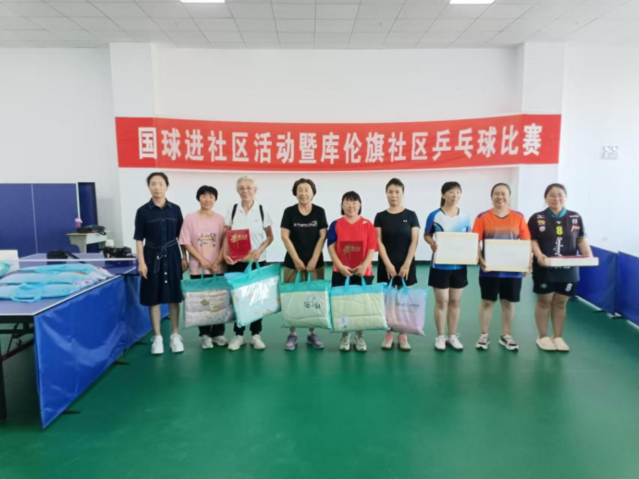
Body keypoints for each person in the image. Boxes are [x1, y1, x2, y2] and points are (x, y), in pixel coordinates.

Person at [529, 183, 593, 352]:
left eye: (560, 195)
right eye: (552, 195)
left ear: (565, 197)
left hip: (568, 270)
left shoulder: (575, 217)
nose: (556, 198)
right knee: (544, 301)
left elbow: (580, 239)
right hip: (545, 268)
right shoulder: (537, 218)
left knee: (561, 303)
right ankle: (542, 336)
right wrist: (539, 255)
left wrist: (588, 255)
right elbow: (532, 240)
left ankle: (557, 337)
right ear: (545, 198)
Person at [473, 183, 531, 352]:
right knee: (487, 302)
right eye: (496, 194)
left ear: (509, 197)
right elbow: (475, 241)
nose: (500, 197)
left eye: (503, 194)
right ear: (491, 197)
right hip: (489, 269)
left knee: (508, 303)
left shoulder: (518, 217)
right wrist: (480, 260)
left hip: (512, 271)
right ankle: (484, 335)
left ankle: (506, 336)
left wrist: (528, 263)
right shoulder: (482, 217)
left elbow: (526, 241)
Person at [134, 172, 186, 355]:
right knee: (153, 297)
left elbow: (182, 237)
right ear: (149, 186)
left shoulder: (175, 210)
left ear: (167, 186)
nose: (157, 187)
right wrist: (141, 262)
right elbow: (139, 239)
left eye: (160, 184)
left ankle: (175, 335)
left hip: (172, 255)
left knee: (174, 296)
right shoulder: (142, 211)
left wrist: (184, 257)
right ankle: (157, 337)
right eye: (153, 184)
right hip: (151, 255)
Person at [223, 176, 274, 351]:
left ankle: (255, 335)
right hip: (236, 261)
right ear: (238, 191)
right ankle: (238, 335)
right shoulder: (232, 210)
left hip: (257, 261)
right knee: (238, 298)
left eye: (248, 188)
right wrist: (225, 253)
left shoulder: (261, 210)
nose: (245, 191)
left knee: (256, 298)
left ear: (255, 190)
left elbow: (270, 237)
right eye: (241, 188)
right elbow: (227, 235)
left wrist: (259, 250)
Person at [179, 185, 229, 350]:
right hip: (198, 268)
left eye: (211, 196)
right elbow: (186, 242)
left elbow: (226, 242)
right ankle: (205, 335)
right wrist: (203, 261)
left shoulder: (221, 219)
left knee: (219, 301)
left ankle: (218, 333)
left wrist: (218, 261)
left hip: (218, 267)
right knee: (202, 302)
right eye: (204, 196)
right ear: (198, 198)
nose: (207, 200)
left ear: (215, 199)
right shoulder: (190, 218)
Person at [423, 181, 472, 352]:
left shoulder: (465, 217)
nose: (455, 195)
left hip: (459, 267)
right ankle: (440, 336)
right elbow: (426, 235)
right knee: (442, 301)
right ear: (443, 195)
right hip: (440, 266)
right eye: (451, 192)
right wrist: (432, 243)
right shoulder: (434, 215)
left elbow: (469, 239)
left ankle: (452, 336)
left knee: (455, 302)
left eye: (458, 192)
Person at [327, 191, 378, 353]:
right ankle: (345, 335)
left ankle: (359, 336)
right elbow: (331, 247)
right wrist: (340, 266)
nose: (351, 205)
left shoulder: (368, 224)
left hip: (363, 272)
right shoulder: (336, 224)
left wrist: (363, 266)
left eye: (354, 202)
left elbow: (372, 247)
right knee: (343, 305)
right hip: (341, 271)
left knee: (361, 305)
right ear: (342, 205)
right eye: (347, 202)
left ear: (360, 205)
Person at [281, 178, 328, 351]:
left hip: (315, 263)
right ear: (295, 192)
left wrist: (314, 258)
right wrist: (296, 259)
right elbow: (284, 236)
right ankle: (292, 333)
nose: (303, 193)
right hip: (292, 263)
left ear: (313, 192)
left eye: (307, 190)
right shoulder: (289, 212)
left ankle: (312, 332)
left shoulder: (319, 212)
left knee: (313, 298)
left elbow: (323, 236)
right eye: (300, 190)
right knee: (293, 298)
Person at [374, 178, 420, 351]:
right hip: (386, 265)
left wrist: (407, 264)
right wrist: (387, 264)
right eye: (390, 192)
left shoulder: (411, 215)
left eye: (397, 192)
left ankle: (402, 335)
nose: (394, 195)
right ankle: (388, 334)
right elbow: (379, 242)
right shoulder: (380, 216)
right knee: (388, 302)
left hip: (406, 265)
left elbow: (414, 241)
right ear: (386, 194)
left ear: (402, 193)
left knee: (403, 302)